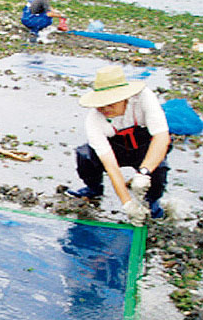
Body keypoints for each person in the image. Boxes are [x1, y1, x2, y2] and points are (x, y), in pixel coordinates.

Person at [68, 65, 171, 226]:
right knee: (85, 155)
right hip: (117, 149)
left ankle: (152, 202)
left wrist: (144, 172)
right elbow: (112, 167)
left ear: (125, 97)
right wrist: (127, 203)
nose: (105, 109)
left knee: (157, 171)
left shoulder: (144, 98)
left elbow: (162, 137)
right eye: (101, 104)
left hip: (144, 146)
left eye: (111, 103)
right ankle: (93, 189)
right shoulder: (94, 120)